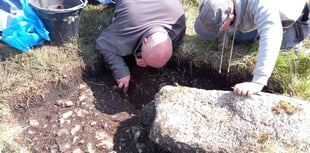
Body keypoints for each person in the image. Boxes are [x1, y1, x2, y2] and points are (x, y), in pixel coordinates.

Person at [194, 0, 310, 96]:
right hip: (251, 11)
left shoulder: (262, 5)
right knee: (242, 39)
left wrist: (258, 81)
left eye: (218, 29)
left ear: (231, 17)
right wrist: (224, 38)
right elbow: (219, 12)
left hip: (289, 14)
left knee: (285, 56)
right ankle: (258, 28)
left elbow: (272, 34)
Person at [96, 0, 186, 92]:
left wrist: (143, 54)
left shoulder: (178, 24)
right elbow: (103, 44)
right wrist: (121, 71)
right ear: (144, 41)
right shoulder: (128, 23)